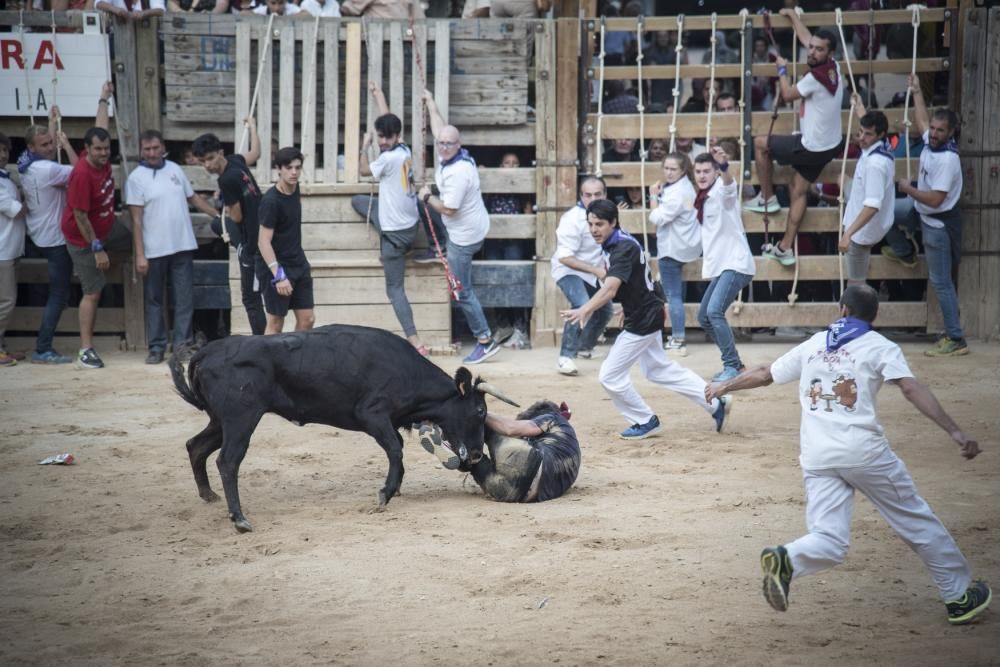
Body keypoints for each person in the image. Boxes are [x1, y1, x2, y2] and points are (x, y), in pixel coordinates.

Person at [705, 284, 991, 626]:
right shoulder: (879, 346)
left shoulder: (814, 344)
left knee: (829, 539)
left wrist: (724, 386)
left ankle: (788, 559)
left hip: (817, 456)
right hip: (864, 453)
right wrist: (955, 431)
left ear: (842, 310)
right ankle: (958, 595)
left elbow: (766, 373)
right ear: (874, 316)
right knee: (915, 519)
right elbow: (911, 387)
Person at [561, 199, 732, 440]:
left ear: (613, 223)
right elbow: (640, 279)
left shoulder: (620, 249)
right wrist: (628, 304)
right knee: (658, 370)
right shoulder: (621, 241)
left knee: (609, 376)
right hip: (646, 311)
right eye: (590, 224)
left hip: (642, 319)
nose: (594, 229)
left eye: (599, 224)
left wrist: (584, 310)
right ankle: (715, 402)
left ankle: (644, 420)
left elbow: (610, 289)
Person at [19, 85, 112, 364]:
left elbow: (99, 131)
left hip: (49, 233)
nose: (50, 148)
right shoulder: (55, 170)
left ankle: (49, 346)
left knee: (69, 292)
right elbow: (78, 171)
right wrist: (97, 248)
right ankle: (45, 347)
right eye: (45, 145)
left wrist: (102, 99)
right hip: (60, 238)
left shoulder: (28, 163)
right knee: (62, 295)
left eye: (51, 143)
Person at [746, 9, 845, 268]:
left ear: (829, 53)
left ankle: (766, 197)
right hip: (829, 146)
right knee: (798, 188)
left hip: (811, 146)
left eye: (818, 50)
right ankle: (785, 247)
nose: (811, 52)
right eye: (811, 48)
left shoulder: (814, 78)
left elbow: (788, 94)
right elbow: (808, 38)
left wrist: (781, 70)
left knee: (759, 143)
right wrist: (792, 17)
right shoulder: (834, 68)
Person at [882, 76, 967, 358]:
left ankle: (955, 338)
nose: (932, 132)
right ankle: (905, 251)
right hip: (922, 213)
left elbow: (936, 199)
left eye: (940, 130)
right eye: (932, 128)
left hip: (936, 222)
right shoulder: (933, 143)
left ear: (951, 132)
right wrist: (917, 92)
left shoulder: (947, 159)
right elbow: (920, 121)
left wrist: (908, 189)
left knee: (941, 282)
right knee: (886, 213)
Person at [418, 89, 502, 365]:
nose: (442, 147)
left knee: (460, 289)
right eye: (440, 143)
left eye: (447, 144)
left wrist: (428, 196)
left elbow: (449, 209)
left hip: (464, 237)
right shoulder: (455, 154)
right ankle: (439, 247)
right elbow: (441, 128)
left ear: (458, 145)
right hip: (470, 226)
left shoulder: (458, 173)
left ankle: (484, 339)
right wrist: (431, 103)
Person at [126, 130, 220, 364]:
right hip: (154, 250)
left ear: (163, 147)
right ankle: (157, 347)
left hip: (182, 245)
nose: (152, 153)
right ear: (141, 151)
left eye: (155, 148)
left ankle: (181, 345)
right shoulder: (136, 178)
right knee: (155, 300)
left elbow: (194, 199)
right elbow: (136, 220)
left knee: (184, 298)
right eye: (147, 149)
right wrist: (140, 254)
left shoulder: (175, 170)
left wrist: (219, 215)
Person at [355, 82, 429, 355]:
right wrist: (379, 96)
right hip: (410, 225)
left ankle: (415, 340)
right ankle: (388, 248)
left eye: (385, 138)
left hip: (395, 236)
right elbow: (389, 121)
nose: (382, 142)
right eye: (379, 137)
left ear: (395, 136)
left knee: (394, 289)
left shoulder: (386, 160)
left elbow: (363, 170)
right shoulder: (404, 150)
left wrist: (365, 146)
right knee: (359, 202)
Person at [60, 127, 131, 370]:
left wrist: (103, 99)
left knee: (129, 241)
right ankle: (85, 350)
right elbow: (80, 216)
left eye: (106, 148)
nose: (103, 153)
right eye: (98, 149)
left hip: (107, 227)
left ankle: (100, 267)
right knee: (92, 292)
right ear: (87, 149)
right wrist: (97, 249)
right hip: (83, 238)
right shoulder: (81, 174)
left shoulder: (100, 162)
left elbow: (99, 121)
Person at [419, 400, 579, 503]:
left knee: (486, 427)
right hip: (516, 495)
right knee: (474, 461)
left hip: (531, 464)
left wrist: (476, 410)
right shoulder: (568, 448)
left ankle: (446, 433)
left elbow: (510, 429)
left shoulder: (553, 417)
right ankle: (454, 449)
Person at [192, 120, 266, 336]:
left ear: (220, 153)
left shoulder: (226, 179)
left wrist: (223, 201)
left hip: (250, 240)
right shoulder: (236, 161)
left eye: (211, 158)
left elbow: (236, 215)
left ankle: (261, 342)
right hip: (262, 228)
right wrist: (253, 127)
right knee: (217, 223)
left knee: (250, 298)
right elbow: (256, 152)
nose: (207, 165)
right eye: (202, 161)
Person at [694, 147, 756, 382]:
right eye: (698, 171)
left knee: (713, 312)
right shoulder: (701, 198)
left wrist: (724, 167)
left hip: (735, 263)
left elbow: (730, 186)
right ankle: (735, 363)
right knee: (704, 316)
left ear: (715, 173)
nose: (702, 175)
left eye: (707, 171)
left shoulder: (721, 190)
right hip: (722, 265)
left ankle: (732, 365)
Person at [551, 176, 613, 376]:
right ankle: (565, 357)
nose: (593, 198)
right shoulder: (571, 219)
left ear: (605, 195)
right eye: (588, 195)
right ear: (581, 196)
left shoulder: (608, 214)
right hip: (568, 270)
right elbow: (565, 258)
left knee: (605, 311)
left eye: (597, 194)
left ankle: (583, 348)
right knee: (581, 304)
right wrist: (596, 270)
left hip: (593, 271)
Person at [257, 147, 314, 335]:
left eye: (298, 168)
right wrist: (278, 275)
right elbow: (263, 242)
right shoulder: (271, 201)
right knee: (275, 323)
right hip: (277, 266)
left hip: (298, 262)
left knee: (307, 320)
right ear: (278, 169)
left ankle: (294, 362)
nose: (294, 172)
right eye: (289, 168)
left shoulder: (295, 188)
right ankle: (268, 364)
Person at [649, 152, 700, 357]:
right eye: (666, 168)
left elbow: (656, 218)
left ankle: (678, 339)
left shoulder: (677, 192)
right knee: (678, 294)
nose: (668, 172)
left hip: (672, 249)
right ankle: (678, 336)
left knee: (673, 296)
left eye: (673, 169)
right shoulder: (686, 187)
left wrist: (653, 196)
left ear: (682, 170)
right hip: (685, 246)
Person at [838, 107, 895, 285]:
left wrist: (848, 234)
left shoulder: (875, 164)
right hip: (859, 201)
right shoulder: (880, 148)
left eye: (868, 134)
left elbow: (872, 206)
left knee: (855, 285)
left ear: (880, 134)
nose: (861, 138)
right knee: (843, 180)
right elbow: (868, 126)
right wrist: (860, 107)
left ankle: (854, 313)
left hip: (860, 233)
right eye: (860, 131)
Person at [0, 133, 26, 368]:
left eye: (5, 150)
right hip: (2, 252)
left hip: (11, 248)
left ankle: (2, 347)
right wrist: (39, 197)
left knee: (6, 301)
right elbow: (17, 211)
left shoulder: (6, 178)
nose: (2, 155)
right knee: (6, 302)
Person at [95, 0, 165, 19]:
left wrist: (144, 13)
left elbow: (160, 10)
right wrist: (115, 9)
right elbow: (99, 3)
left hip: (148, 35)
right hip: (119, 35)